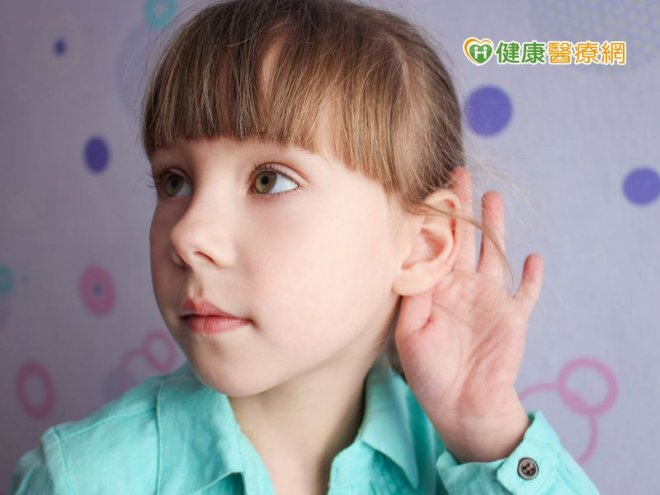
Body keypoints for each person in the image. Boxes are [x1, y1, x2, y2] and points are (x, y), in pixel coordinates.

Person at [10, 0, 600, 493]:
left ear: (421, 246)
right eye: (174, 182)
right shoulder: (82, 478)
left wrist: (487, 430)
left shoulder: (472, 457)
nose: (187, 235)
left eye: (269, 180)